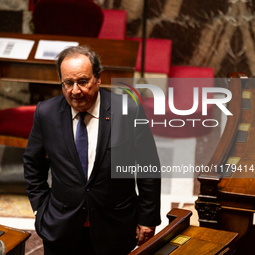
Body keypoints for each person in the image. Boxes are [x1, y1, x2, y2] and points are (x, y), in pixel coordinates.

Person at [23, 46, 161, 255]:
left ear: (98, 78)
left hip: (115, 228)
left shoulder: (128, 110)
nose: (75, 91)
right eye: (68, 83)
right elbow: (33, 164)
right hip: (61, 229)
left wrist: (147, 219)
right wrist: (40, 208)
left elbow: (147, 167)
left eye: (82, 81)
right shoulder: (46, 113)